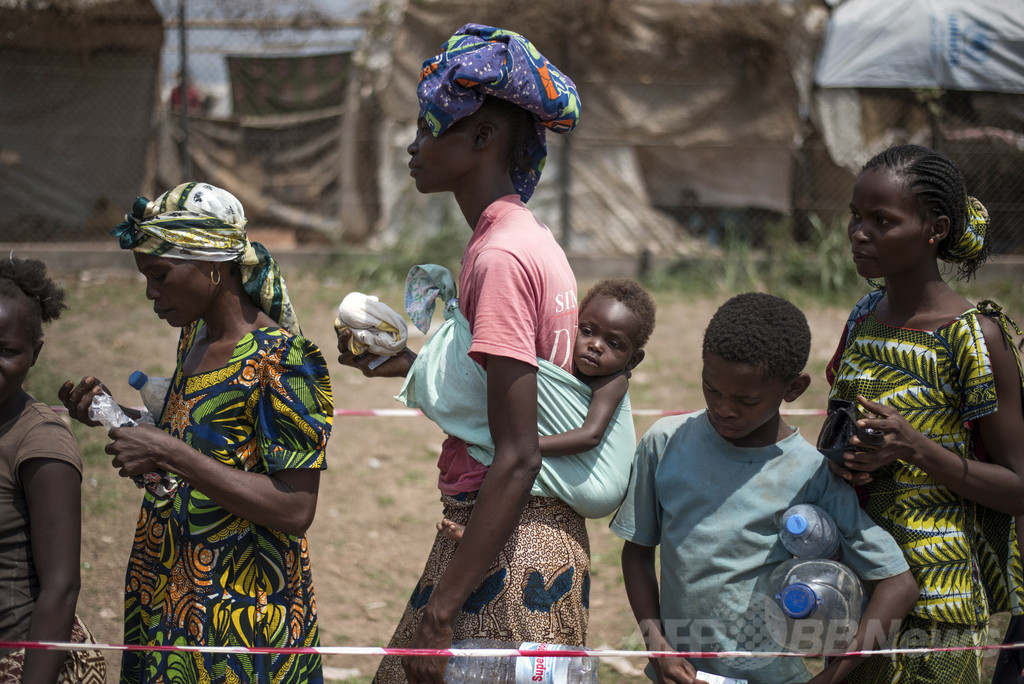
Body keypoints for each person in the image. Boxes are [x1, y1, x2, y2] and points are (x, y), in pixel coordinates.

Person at [336, 24, 583, 683]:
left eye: (428, 127)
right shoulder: (521, 239)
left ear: (481, 138)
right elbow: (508, 392)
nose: (412, 146)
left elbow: (519, 451)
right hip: (528, 538)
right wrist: (406, 365)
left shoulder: (499, 259)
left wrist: (442, 613)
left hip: (507, 547)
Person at [58, 182, 333, 684]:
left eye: (160, 275)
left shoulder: (284, 361)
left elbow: (296, 508)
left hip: (241, 612)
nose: (150, 292)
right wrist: (114, 415)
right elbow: (200, 439)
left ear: (211, 263)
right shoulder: (196, 336)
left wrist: (166, 450)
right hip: (170, 584)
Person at [610, 292, 919, 684]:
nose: (724, 409)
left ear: (793, 388)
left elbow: (897, 584)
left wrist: (831, 676)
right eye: (712, 389)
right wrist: (660, 652)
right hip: (679, 675)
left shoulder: (811, 472)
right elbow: (637, 554)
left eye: (745, 400)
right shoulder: (665, 442)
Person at [825, 143, 1024, 683]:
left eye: (881, 221)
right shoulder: (865, 316)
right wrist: (849, 458)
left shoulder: (975, 338)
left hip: (937, 596)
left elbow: (1017, 485)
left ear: (935, 228)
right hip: (853, 577)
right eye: (856, 218)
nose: (859, 233)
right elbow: (839, 425)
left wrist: (916, 448)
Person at [438, 277, 656, 541]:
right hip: (581, 479)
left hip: (600, 486)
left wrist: (521, 446)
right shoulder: (566, 368)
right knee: (521, 474)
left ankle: (478, 536)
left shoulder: (614, 381)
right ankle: (479, 533)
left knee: (515, 464)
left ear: (633, 360)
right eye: (587, 331)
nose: (596, 345)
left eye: (614, 343)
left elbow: (590, 436)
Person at [0, 257, 106, 684]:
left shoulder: (40, 442)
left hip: (19, 660)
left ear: (35, 354)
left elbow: (61, 589)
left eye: (6, 351)